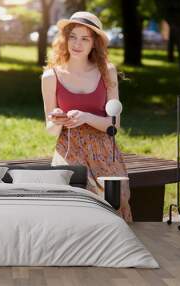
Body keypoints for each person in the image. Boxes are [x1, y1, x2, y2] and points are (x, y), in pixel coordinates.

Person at [41, 11, 132, 222]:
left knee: (116, 198)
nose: (77, 43)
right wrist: (56, 120)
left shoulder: (106, 71)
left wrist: (86, 117)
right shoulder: (50, 77)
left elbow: (114, 126)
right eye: (72, 36)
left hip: (103, 147)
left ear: (94, 43)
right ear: (64, 39)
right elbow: (50, 129)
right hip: (69, 147)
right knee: (80, 195)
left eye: (85, 38)